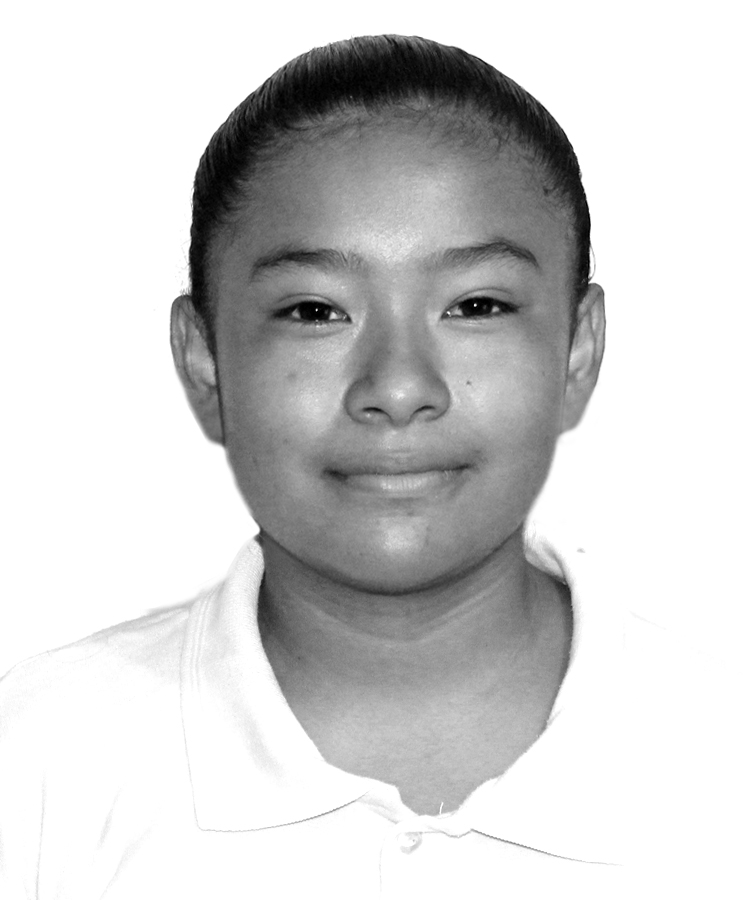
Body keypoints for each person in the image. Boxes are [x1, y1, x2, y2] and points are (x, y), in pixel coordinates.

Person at [0, 34, 743, 899]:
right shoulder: (39, 764)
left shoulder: (727, 760)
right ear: (204, 358)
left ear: (578, 347)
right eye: (315, 311)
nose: (397, 387)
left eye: (476, 304)